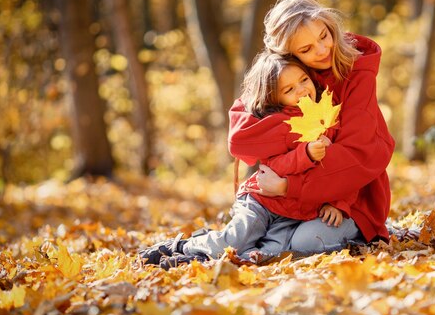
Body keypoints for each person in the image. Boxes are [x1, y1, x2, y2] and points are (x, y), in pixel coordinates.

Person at [139, 51, 351, 269]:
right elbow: (274, 166)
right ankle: (184, 247)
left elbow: (344, 169)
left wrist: (338, 204)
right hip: (261, 200)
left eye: (304, 79)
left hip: (295, 213)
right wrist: (304, 154)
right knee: (238, 238)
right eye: (289, 90)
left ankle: (200, 261)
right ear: (274, 97)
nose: (301, 90)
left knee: (272, 251)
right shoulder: (278, 123)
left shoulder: (329, 117)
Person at [230, 0, 396, 254]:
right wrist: (294, 133)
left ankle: (362, 232)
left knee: (306, 243)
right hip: (290, 202)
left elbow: (358, 154)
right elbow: (241, 139)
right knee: (253, 235)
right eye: (306, 49)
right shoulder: (288, 76)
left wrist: (288, 186)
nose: (322, 50)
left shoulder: (357, 74)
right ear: (288, 56)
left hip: (349, 198)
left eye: (324, 36)